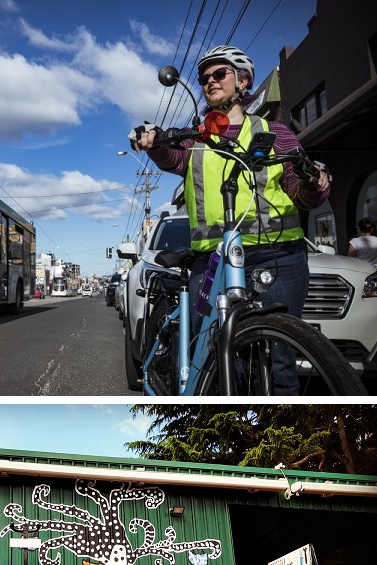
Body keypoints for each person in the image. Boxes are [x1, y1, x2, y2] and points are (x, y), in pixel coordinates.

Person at [130, 45, 332, 394]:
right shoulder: (193, 137)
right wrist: (152, 139)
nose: (209, 81)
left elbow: (302, 190)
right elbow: (170, 156)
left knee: (279, 361)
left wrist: (315, 184)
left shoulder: (276, 131)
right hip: (213, 261)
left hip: (279, 255)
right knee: (218, 358)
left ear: (243, 80)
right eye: (204, 78)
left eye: (218, 74)